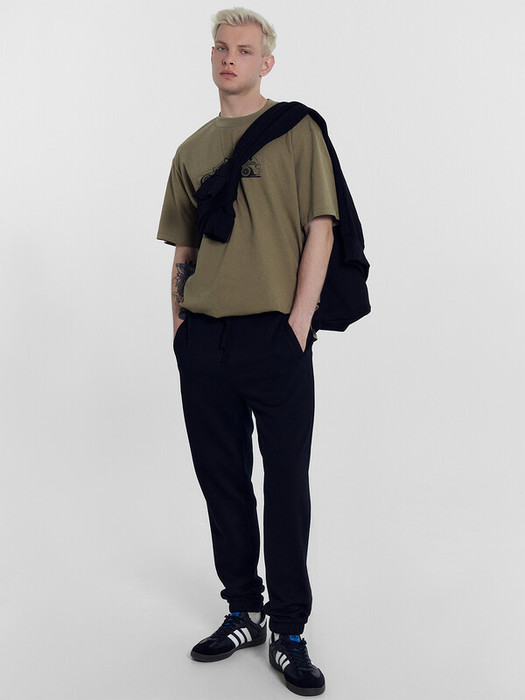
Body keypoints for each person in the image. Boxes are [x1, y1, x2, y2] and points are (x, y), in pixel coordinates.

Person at [157, 8, 349, 696]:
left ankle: (289, 628)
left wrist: (298, 325)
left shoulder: (296, 132)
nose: (228, 58)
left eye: (242, 49)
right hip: (205, 339)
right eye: (220, 48)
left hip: (275, 337)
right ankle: (243, 610)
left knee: (285, 483)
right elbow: (183, 250)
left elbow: (320, 227)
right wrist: (179, 330)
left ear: (265, 62)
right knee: (222, 480)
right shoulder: (191, 150)